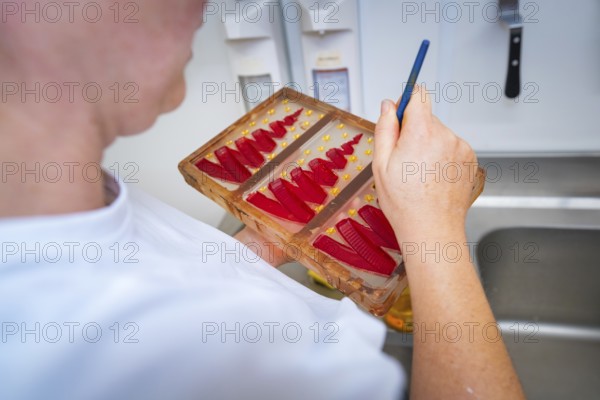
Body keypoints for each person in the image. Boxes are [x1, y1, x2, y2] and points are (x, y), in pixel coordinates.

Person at [0, 1, 524, 399]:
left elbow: (174, 276)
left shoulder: (63, 205)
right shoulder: (154, 354)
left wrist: (283, 236)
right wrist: (435, 233)